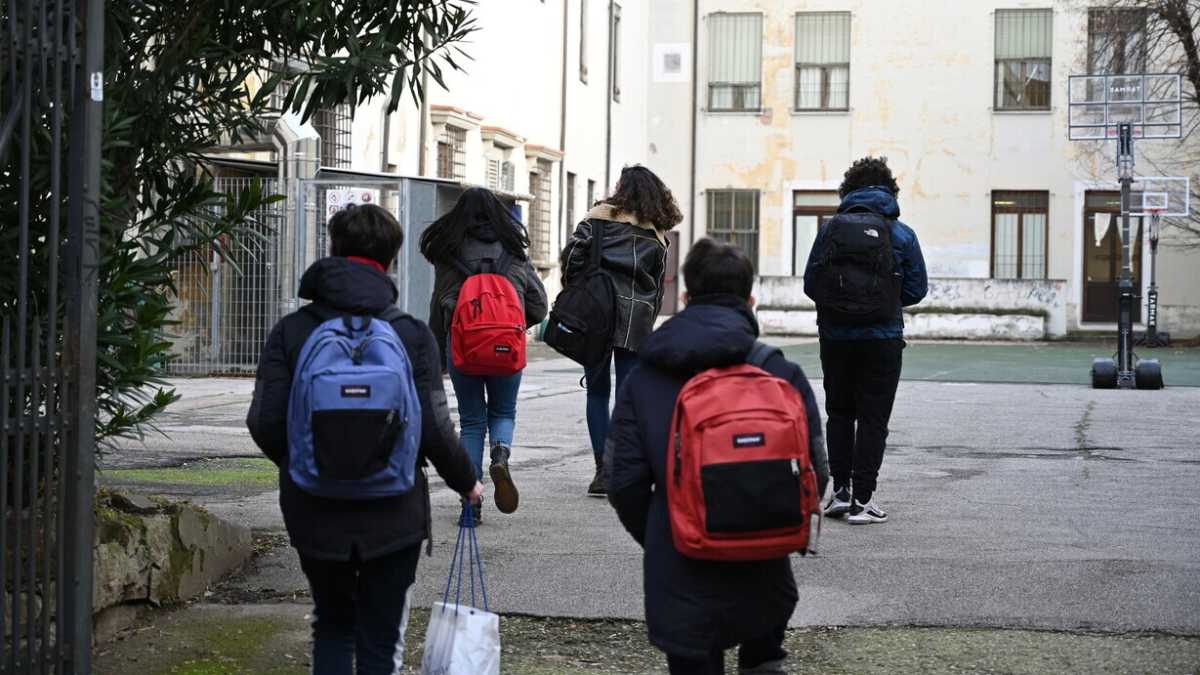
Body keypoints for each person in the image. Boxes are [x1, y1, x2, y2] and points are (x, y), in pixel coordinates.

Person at [246, 204, 484, 675]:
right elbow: (435, 427)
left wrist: (308, 460)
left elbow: (264, 421)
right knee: (381, 639)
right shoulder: (411, 333)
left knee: (332, 627)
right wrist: (467, 481)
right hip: (393, 511)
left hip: (314, 506)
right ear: (392, 260)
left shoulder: (292, 332)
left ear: (332, 252)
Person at [606, 238, 829, 675]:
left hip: (680, 569)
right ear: (751, 300)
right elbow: (815, 473)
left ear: (687, 298)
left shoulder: (646, 374)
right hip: (765, 568)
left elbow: (623, 481)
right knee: (763, 659)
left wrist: (666, 530)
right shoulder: (779, 371)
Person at [803, 156, 927, 525]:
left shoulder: (830, 230)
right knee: (874, 418)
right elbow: (917, 289)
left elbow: (812, 284)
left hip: (835, 337)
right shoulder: (901, 233)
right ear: (889, 190)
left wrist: (843, 305)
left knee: (839, 412)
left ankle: (840, 494)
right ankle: (863, 500)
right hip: (883, 337)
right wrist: (883, 301)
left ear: (849, 189)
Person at [421, 187, 548, 524]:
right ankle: (501, 455)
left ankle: (470, 503)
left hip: (462, 346)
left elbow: (439, 304)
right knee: (503, 411)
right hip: (508, 346)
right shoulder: (514, 251)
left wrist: (438, 348)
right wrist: (514, 325)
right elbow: (539, 304)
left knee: (472, 422)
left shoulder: (447, 251)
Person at [560, 165, 682, 496]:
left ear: (621, 188)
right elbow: (657, 285)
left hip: (595, 315)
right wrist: (649, 316)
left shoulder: (597, 218)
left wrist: (575, 289)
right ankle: (625, 468)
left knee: (597, 392)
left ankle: (602, 471)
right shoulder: (656, 234)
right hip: (637, 320)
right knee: (628, 397)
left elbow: (572, 256)